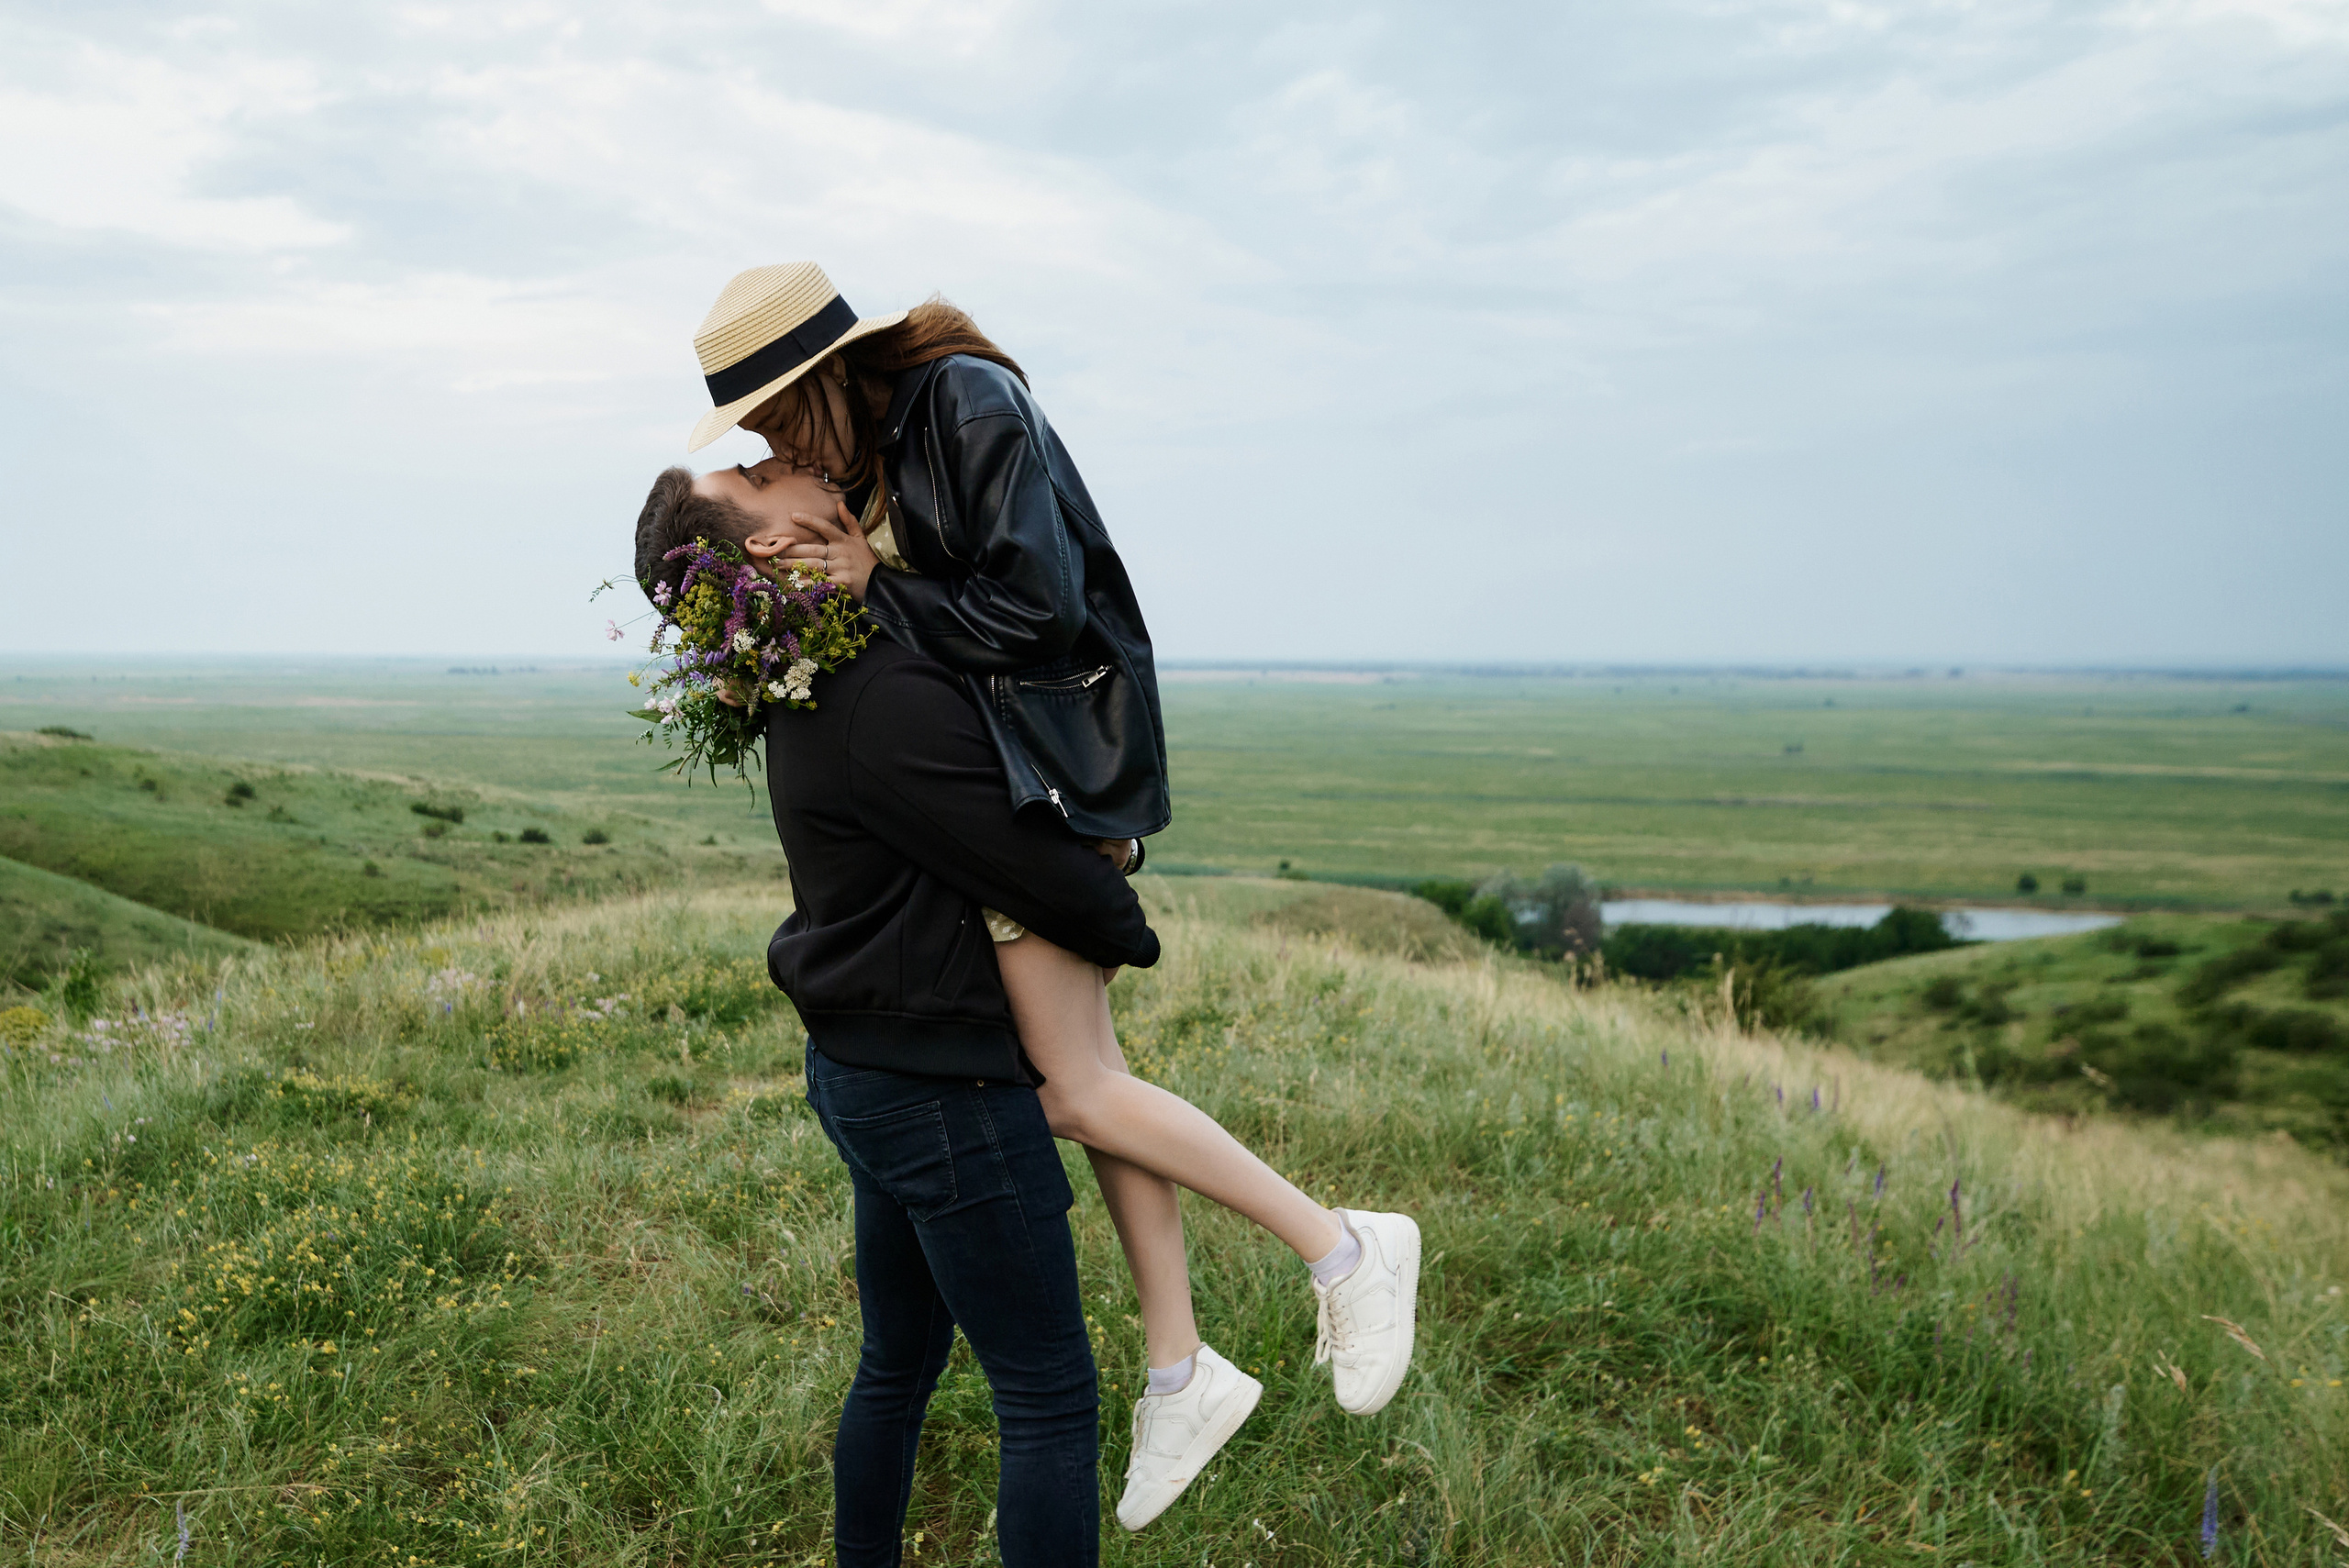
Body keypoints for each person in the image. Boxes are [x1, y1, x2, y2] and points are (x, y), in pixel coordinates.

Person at [638, 261, 1421, 1532]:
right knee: (1091, 1083)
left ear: (825, 374)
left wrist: (869, 588)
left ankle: (1340, 1247)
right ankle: (1182, 1362)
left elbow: (1041, 609)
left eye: (775, 419)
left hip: (1053, 772)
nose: (776, 444)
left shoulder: (959, 400)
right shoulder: (873, 456)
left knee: (1075, 1086)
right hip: (1006, 783)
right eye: (758, 445)